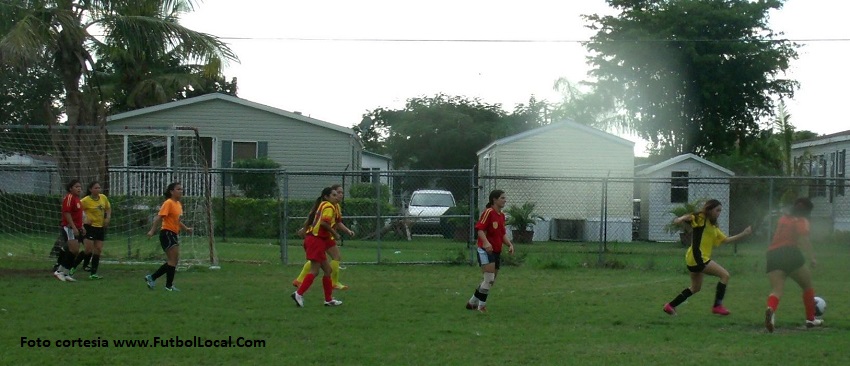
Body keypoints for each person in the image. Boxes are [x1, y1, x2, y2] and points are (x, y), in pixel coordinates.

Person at [662, 199, 752, 316]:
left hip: (693, 258)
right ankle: (717, 306)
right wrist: (680, 219)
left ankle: (670, 306)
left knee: (695, 288)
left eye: (720, 211)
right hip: (698, 258)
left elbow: (725, 240)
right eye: (717, 210)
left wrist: (743, 234)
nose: (719, 213)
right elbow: (690, 217)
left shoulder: (713, 226)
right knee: (725, 275)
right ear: (709, 210)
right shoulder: (701, 218)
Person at [764, 198, 822, 332]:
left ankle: (771, 311)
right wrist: (812, 257)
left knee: (777, 290)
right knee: (807, 286)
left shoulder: (784, 218)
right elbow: (803, 239)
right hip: (790, 253)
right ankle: (811, 319)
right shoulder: (801, 220)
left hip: (772, 254)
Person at [292, 184, 354, 290]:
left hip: (325, 236)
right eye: (337, 193)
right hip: (321, 236)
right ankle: (332, 284)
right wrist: (305, 228)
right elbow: (320, 221)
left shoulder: (336, 206)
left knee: (323, 260)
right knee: (324, 261)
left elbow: (338, 222)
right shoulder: (328, 206)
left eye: (341, 193)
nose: (340, 195)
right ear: (329, 195)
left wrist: (347, 231)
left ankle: (300, 281)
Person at [291, 187, 343, 307]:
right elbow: (324, 223)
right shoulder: (329, 207)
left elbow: (313, 217)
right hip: (316, 241)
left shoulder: (323, 204)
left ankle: (328, 299)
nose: (337, 197)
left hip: (315, 240)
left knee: (328, 270)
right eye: (334, 195)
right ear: (326, 197)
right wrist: (335, 233)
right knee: (314, 271)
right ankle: (298, 294)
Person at [466, 189, 514, 312]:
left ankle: (472, 302)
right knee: (489, 279)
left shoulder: (501, 216)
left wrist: (509, 244)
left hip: (496, 251)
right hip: (485, 250)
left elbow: (502, 234)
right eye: (502, 198)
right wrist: (486, 243)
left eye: (505, 198)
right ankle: (481, 306)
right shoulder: (488, 212)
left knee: (490, 281)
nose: (505, 200)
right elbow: (480, 230)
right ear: (494, 199)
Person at [144, 182, 192, 292]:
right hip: (167, 233)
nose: (181, 191)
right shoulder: (168, 203)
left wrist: (186, 229)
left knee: (174, 260)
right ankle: (168, 286)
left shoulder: (178, 204)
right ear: (171, 191)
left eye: (181, 189)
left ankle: (152, 277)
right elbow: (159, 217)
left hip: (173, 233)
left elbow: (177, 221)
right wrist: (152, 231)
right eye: (178, 189)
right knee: (173, 260)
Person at [53, 179, 85, 282]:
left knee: (74, 251)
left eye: (79, 186)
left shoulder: (77, 199)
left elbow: (78, 216)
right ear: (70, 188)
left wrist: (82, 226)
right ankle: (59, 271)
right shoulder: (69, 198)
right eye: (76, 186)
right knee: (73, 250)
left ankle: (65, 273)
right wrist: (74, 227)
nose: (79, 188)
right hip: (69, 227)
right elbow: (67, 213)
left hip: (75, 227)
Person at [78, 181, 111, 280]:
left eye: (99, 188)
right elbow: (78, 211)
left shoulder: (103, 197)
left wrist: (107, 218)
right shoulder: (85, 200)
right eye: (95, 188)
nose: (98, 190)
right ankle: (73, 267)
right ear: (90, 190)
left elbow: (108, 208)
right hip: (90, 227)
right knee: (88, 250)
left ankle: (93, 273)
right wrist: (84, 219)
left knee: (98, 249)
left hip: (100, 227)